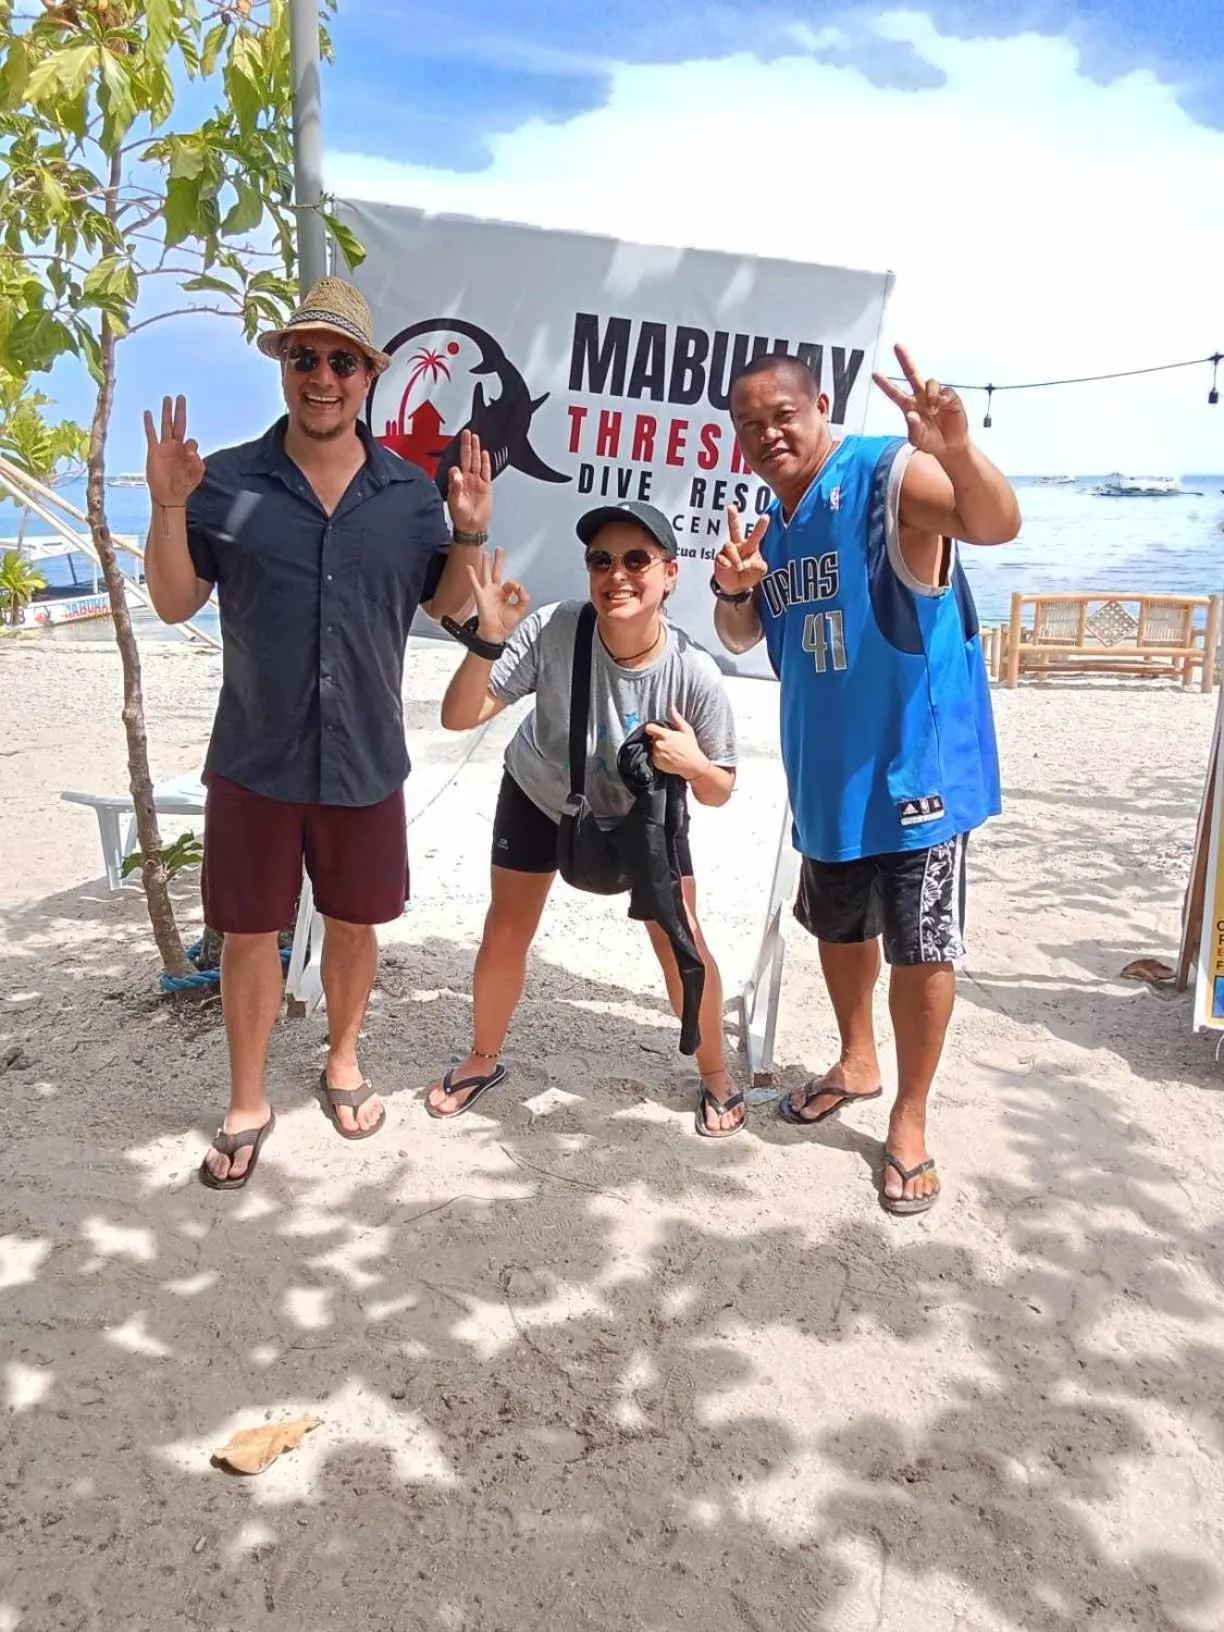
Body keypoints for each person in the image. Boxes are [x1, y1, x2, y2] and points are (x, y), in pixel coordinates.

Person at [142, 276, 489, 1190]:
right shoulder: (225, 482)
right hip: (254, 754)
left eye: (340, 361)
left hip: (365, 754)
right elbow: (174, 603)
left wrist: (467, 534)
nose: (321, 377)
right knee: (248, 931)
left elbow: (450, 605)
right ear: (284, 369)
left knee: (354, 920)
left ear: (369, 375)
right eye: (304, 358)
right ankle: (247, 1098)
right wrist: (168, 508)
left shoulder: (408, 494)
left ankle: (342, 1058)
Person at [712, 345, 1020, 1214]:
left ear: (821, 408)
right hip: (827, 773)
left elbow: (995, 524)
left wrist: (956, 450)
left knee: (922, 947)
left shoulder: (886, 477)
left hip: (917, 771)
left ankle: (910, 1119)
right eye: (749, 425)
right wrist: (734, 591)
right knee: (839, 927)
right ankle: (856, 1061)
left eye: (783, 415)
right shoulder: (773, 525)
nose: (768, 435)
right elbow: (740, 637)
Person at [424, 500, 746, 1137]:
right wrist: (487, 641)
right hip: (541, 791)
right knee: (506, 929)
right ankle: (482, 1058)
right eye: (602, 560)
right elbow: (458, 717)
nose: (617, 575)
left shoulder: (694, 674)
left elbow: (720, 791)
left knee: (681, 939)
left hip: (643, 812)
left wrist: (693, 766)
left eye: (636, 560)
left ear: (669, 575)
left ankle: (715, 1074)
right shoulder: (554, 628)